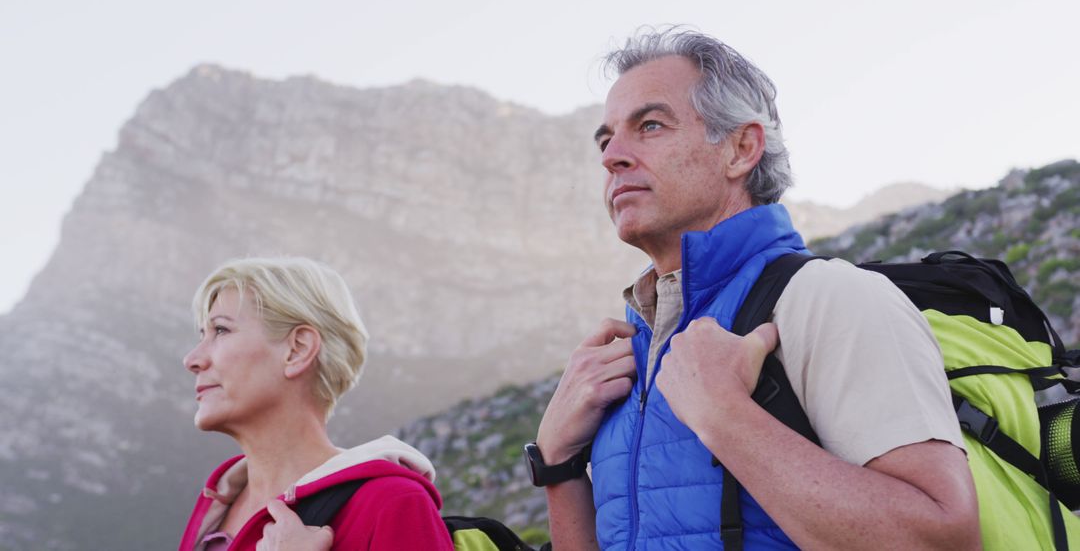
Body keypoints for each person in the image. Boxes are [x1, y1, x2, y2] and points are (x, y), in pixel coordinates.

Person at [529, 28, 981, 549]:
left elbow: (942, 540)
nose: (613, 157)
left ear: (741, 149)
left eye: (650, 126)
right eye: (607, 140)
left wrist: (726, 417)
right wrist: (559, 466)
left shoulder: (828, 299)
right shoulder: (630, 353)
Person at [177, 257, 454, 551]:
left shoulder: (392, 503)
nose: (192, 360)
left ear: (297, 350)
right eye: (202, 335)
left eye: (221, 330)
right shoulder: (216, 508)